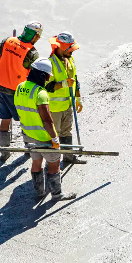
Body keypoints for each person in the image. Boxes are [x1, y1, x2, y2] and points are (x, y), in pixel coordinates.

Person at [15, 58, 76, 201]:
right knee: (54, 164)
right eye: (47, 76)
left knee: (36, 163)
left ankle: (39, 192)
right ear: (42, 75)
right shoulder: (40, 93)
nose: (48, 79)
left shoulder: (20, 87)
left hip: (28, 134)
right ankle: (56, 194)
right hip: (43, 137)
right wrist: (55, 139)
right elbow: (47, 120)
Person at [0, 22, 42, 148]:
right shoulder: (32, 53)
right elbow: (33, 75)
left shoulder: (7, 41)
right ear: (35, 36)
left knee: (5, 119)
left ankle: (4, 151)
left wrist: (8, 65)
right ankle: (28, 147)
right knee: (25, 118)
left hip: (0, 86)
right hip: (18, 90)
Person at [46, 32, 83, 164]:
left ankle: (68, 157)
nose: (72, 51)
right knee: (53, 134)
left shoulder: (70, 60)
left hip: (68, 105)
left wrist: (78, 99)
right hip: (55, 108)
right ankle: (52, 162)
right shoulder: (50, 63)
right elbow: (47, 87)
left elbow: (76, 80)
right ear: (61, 47)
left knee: (66, 132)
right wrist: (63, 84)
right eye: (70, 48)